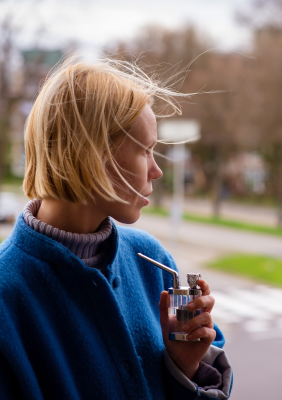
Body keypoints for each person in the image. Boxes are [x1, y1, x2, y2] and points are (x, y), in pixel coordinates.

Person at [0, 56, 232, 399]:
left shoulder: (152, 261)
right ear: (92, 154)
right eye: (146, 151)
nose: (157, 171)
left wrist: (184, 369)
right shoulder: (7, 296)